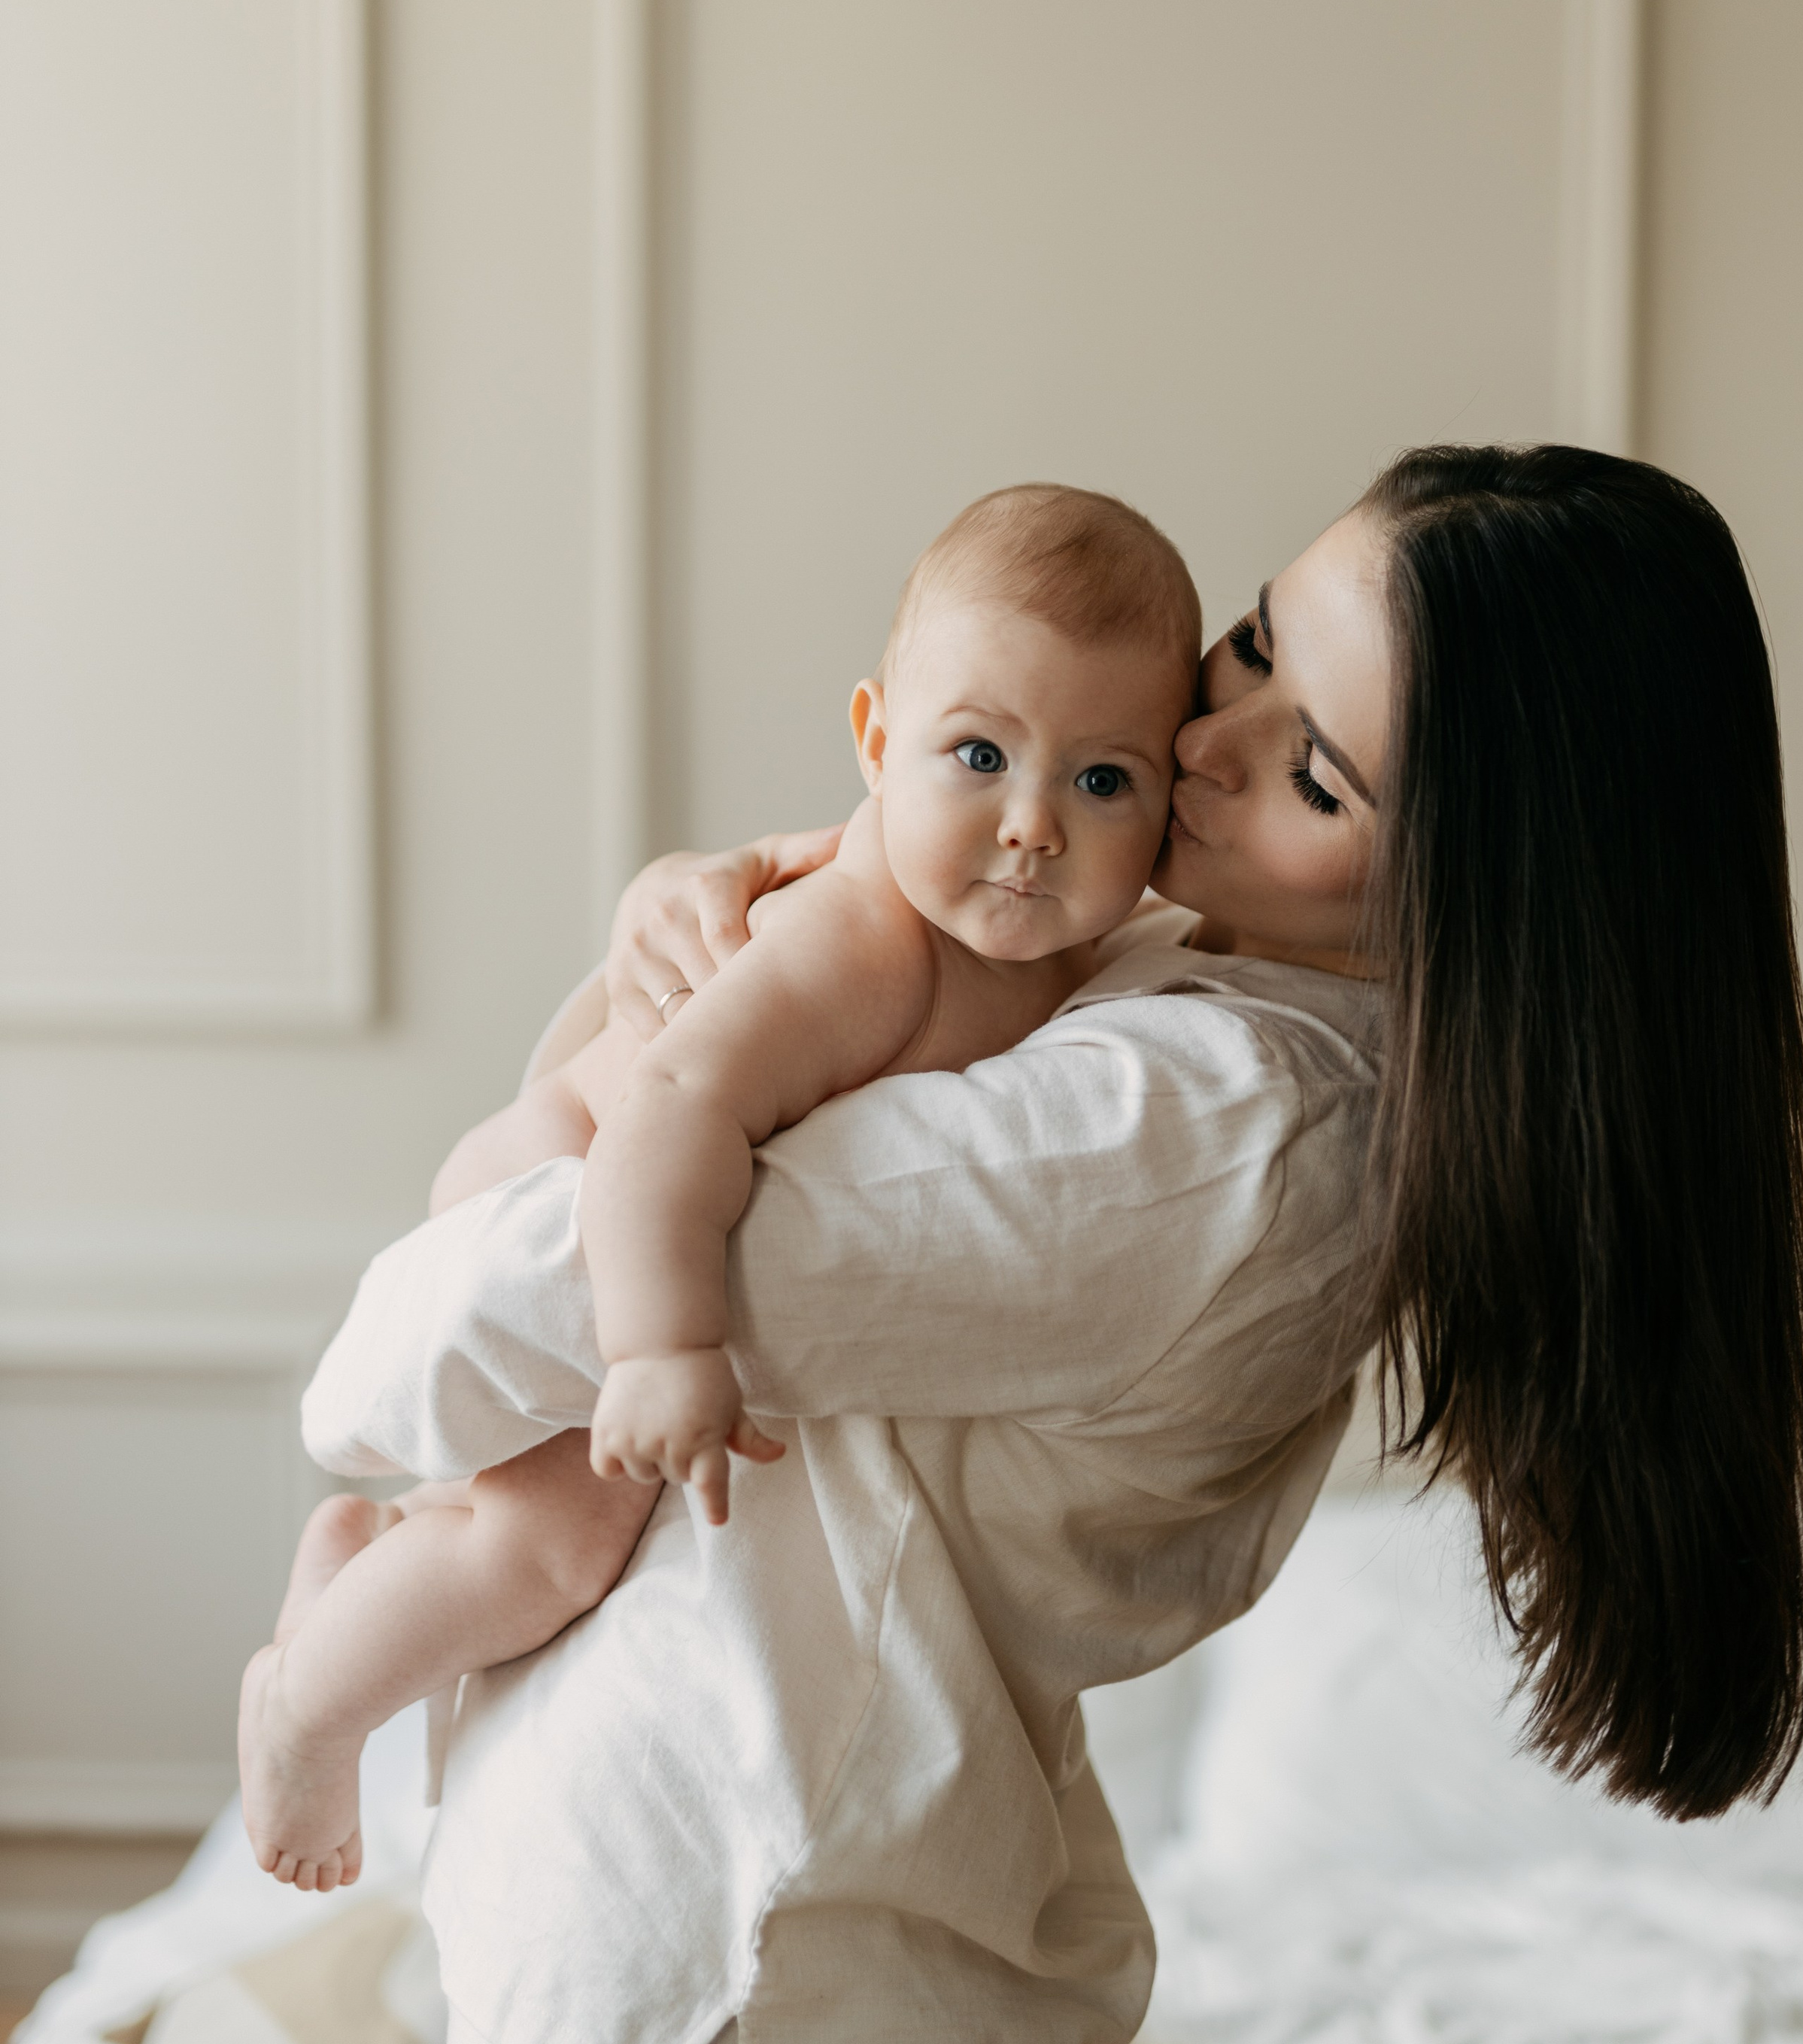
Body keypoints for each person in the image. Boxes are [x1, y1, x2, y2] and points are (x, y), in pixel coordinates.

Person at [299, 445, 1803, 2044]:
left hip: (732, 2031)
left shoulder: (1199, 1126)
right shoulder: (1151, 973)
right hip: (725, 1987)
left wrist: (633, 1072)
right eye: (1257, 644)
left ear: (1489, 889)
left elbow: (476, 1315)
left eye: (1311, 770)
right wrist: (707, 929)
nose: (1205, 742)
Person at [238, 485, 1200, 1890]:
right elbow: (675, 1111)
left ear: (1170, 801)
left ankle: (359, 1563)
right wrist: (664, 1346)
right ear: (879, 742)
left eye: (1102, 780)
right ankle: (303, 1715)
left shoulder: (1075, 949)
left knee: (515, 1530)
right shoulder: (871, 943)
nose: (1033, 826)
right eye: (980, 754)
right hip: (573, 1189)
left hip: (612, 1180)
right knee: (554, 1549)